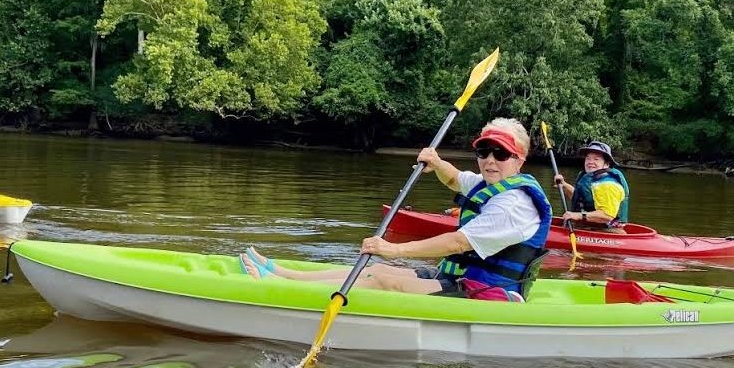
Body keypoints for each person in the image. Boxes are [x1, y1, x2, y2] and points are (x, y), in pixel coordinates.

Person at [240, 117, 553, 302]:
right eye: (484, 151)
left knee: (386, 279)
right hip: (464, 278)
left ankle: (277, 292)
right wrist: (438, 163)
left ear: (519, 159)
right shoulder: (492, 181)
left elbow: (457, 242)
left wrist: (392, 249)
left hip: (490, 294)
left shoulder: (514, 205)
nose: (490, 159)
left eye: (501, 153)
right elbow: (457, 179)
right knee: (374, 270)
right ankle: (284, 275)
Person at [553, 140, 628, 228]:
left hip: (607, 231)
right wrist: (564, 185)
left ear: (607, 164)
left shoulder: (608, 185)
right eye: (588, 158)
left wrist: (577, 215)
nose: (590, 162)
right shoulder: (592, 179)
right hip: (590, 226)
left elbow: (607, 216)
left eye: (596, 159)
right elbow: (580, 199)